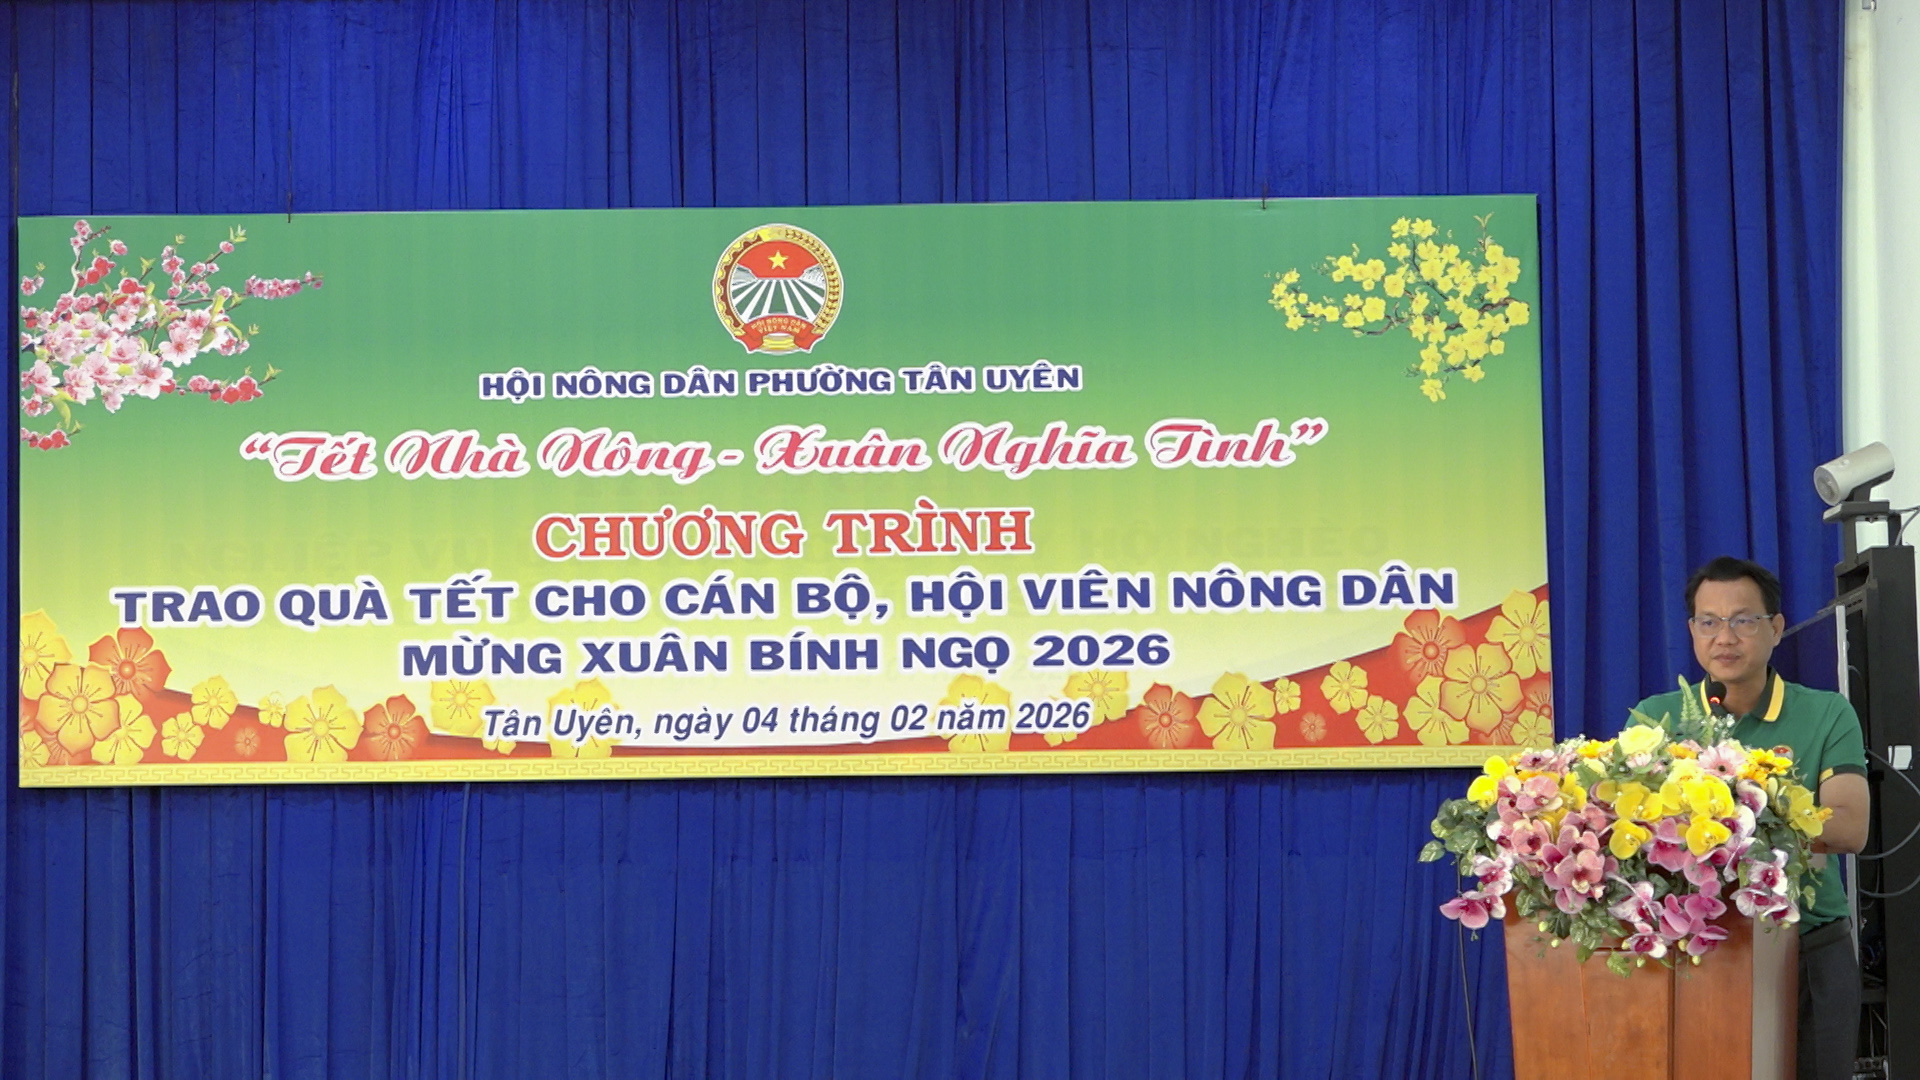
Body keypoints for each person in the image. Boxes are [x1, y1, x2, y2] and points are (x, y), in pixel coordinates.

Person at [1632, 556, 1870, 1080]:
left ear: (1776, 628)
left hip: (1808, 947)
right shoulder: (1656, 718)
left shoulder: (1827, 713)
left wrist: (1733, 817)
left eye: (1743, 620)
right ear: (1692, 631)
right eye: (1709, 622)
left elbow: (1850, 826)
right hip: (1693, 950)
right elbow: (1632, 831)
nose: (1725, 637)